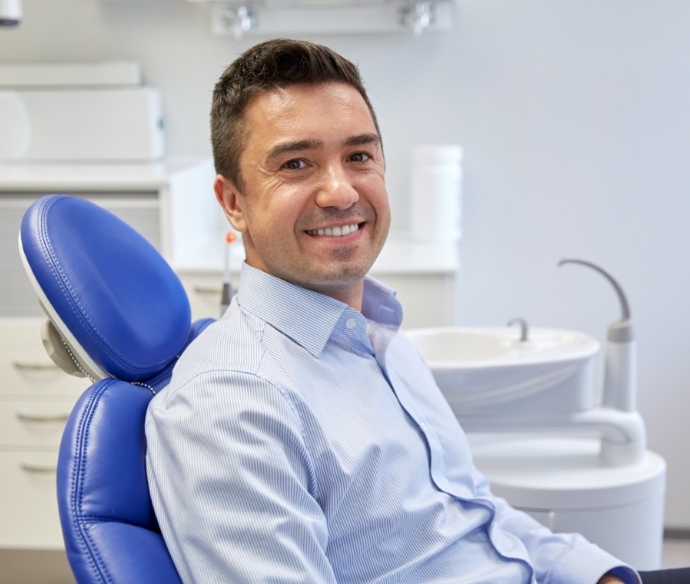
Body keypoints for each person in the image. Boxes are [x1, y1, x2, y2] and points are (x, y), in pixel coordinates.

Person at [145, 39, 686, 583]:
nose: (339, 192)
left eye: (358, 156)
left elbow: (477, 513)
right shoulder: (232, 403)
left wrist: (599, 575)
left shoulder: (382, 340)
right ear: (233, 201)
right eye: (296, 164)